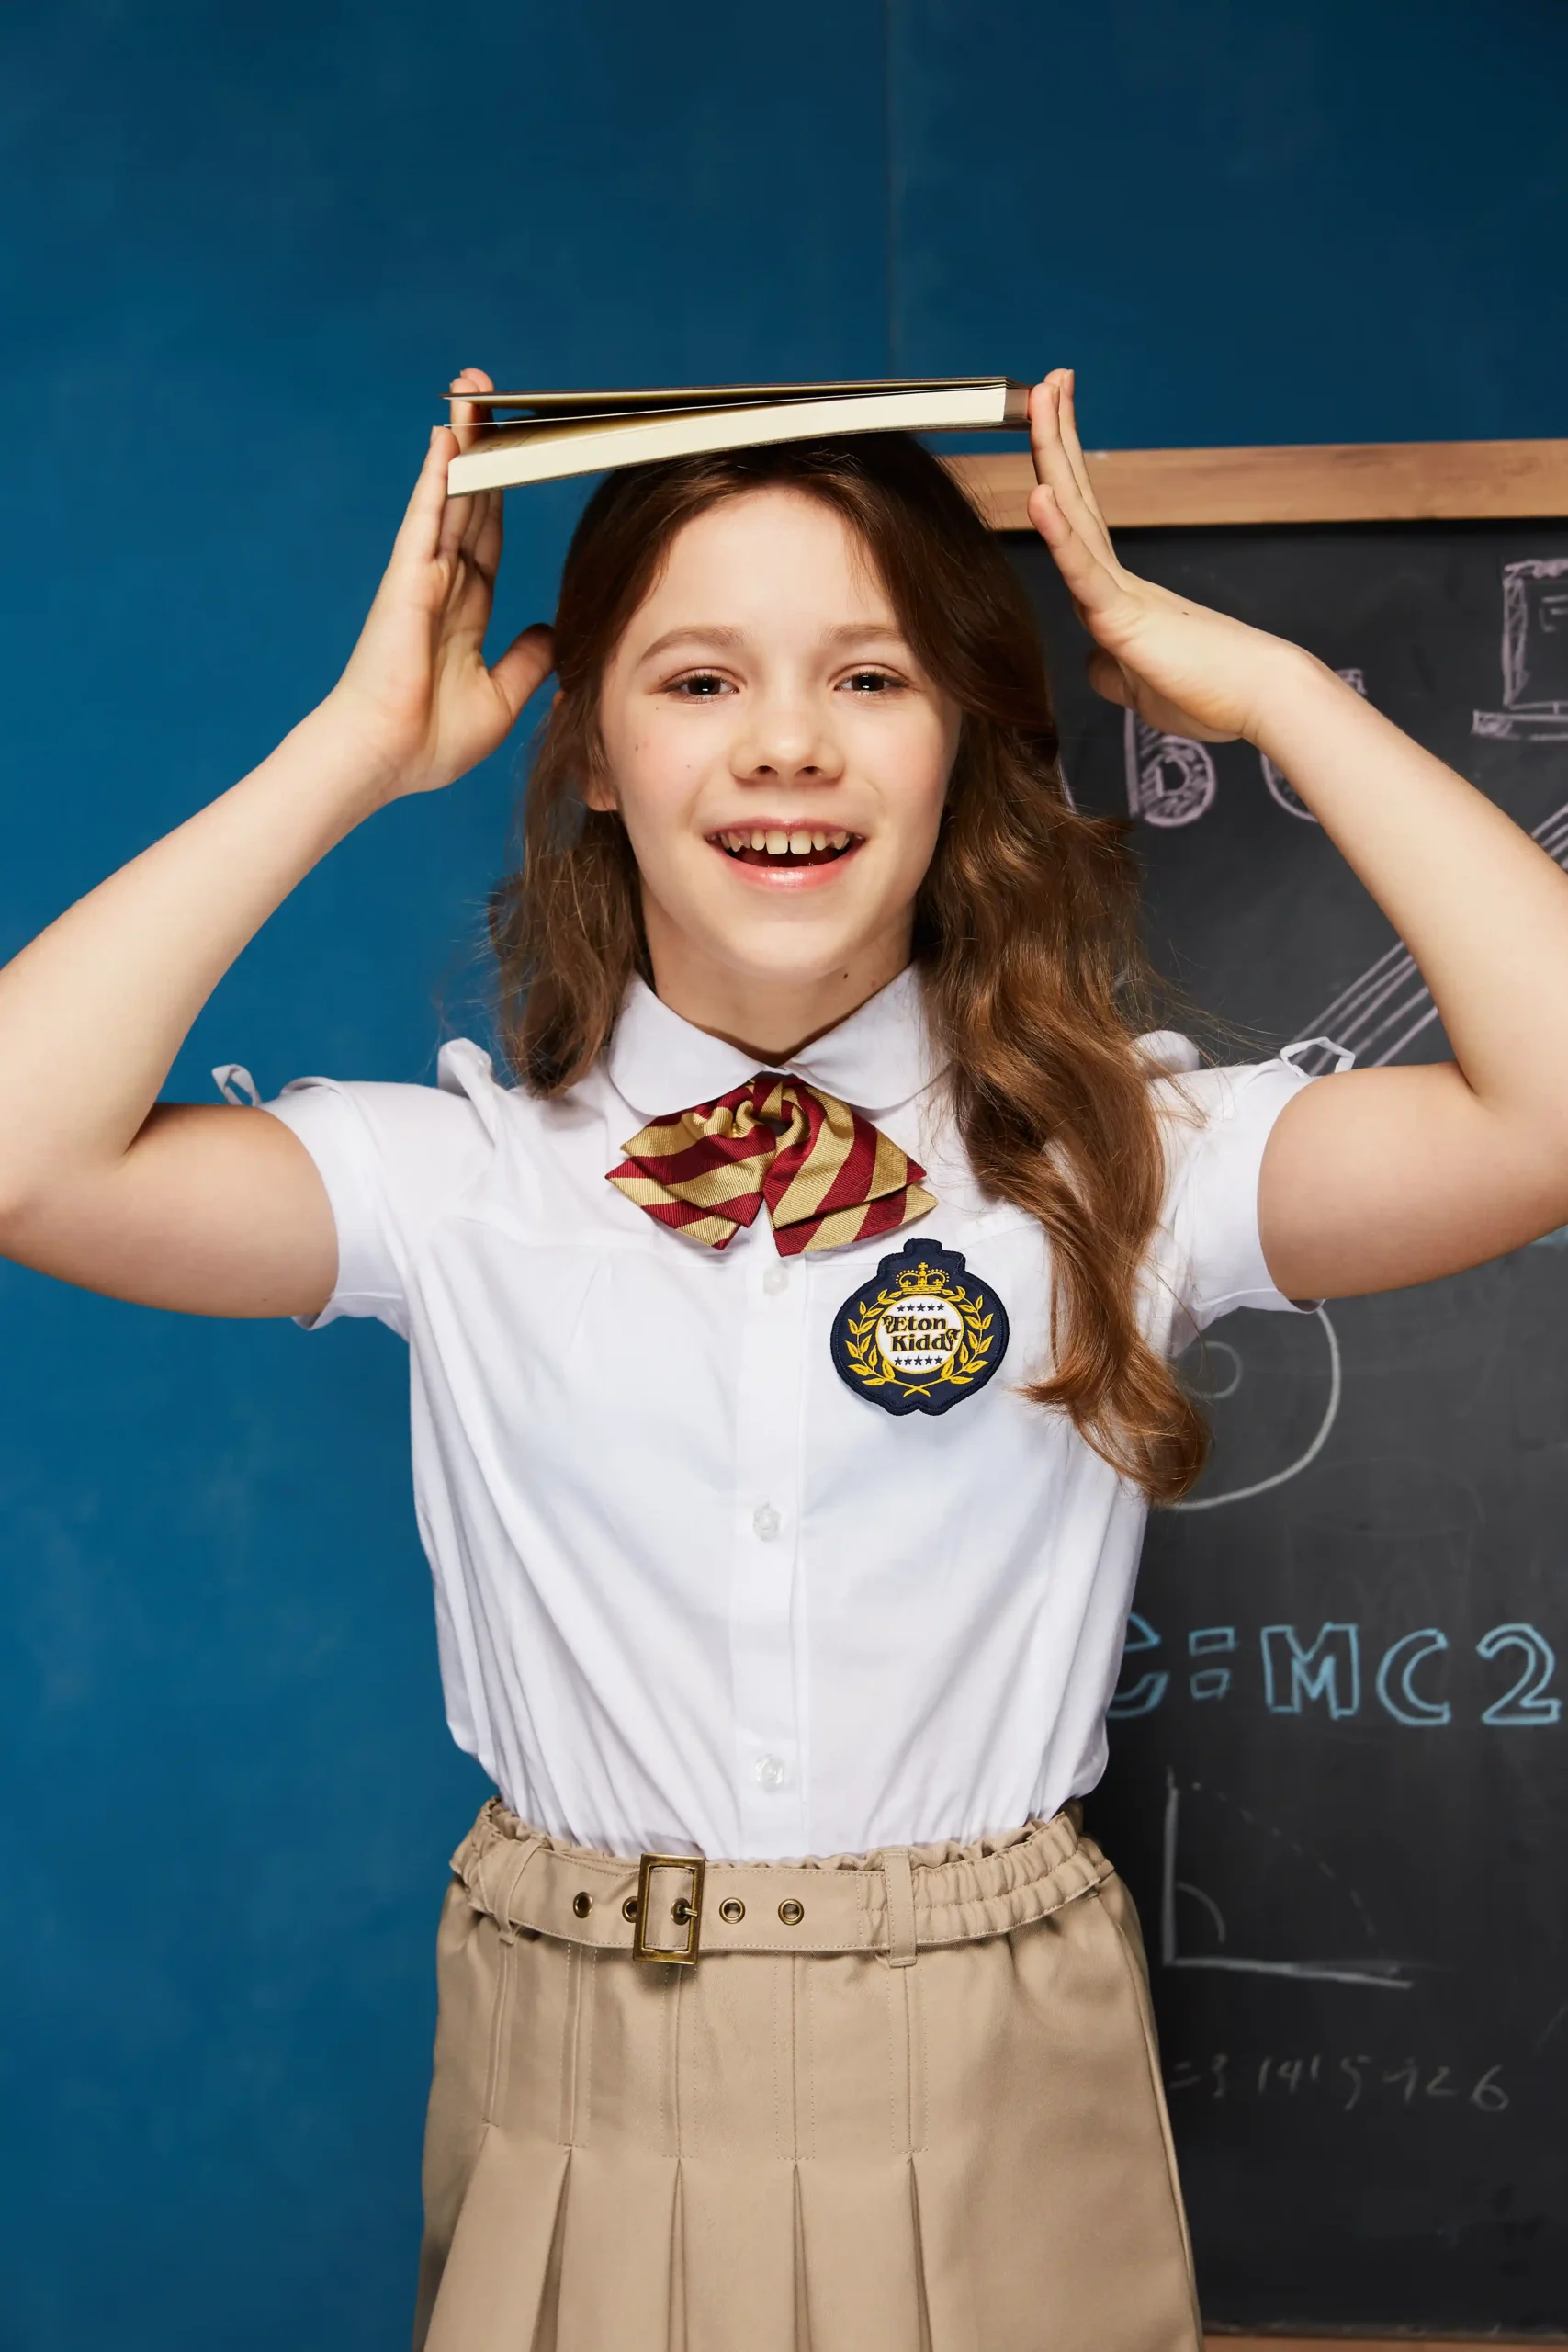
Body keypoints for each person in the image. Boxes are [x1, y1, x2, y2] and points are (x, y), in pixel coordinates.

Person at [4, 365, 1568, 2352]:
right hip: (573, 2065)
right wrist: (346, 749)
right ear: (587, 749)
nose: (787, 750)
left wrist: (1286, 702)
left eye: (871, 678)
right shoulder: (459, 1179)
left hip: (1000, 2077)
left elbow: (1547, 1112)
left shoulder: (1130, 1167)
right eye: (697, 681)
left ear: (963, 743)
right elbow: (21, 1150)